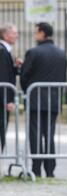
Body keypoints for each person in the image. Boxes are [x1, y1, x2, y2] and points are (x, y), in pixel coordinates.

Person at [20, 22, 67, 178]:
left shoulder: (33, 52)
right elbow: (63, 78)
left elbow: (24, 76)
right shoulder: (61, 53)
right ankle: (50, 169)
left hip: (35, 101)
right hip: (53, 100)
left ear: (42, 33)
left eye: (36, 32)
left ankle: (36, 168)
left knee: (35, 135)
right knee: (49, 135)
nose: (35, 35)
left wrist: (27, 90)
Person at [0, 23, 21, 151]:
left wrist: (15, 66)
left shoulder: (5, 50)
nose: (17, 36)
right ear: (5, 35)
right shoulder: (2, 51)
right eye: (14, 33)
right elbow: (3, 78)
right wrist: (8, 100)